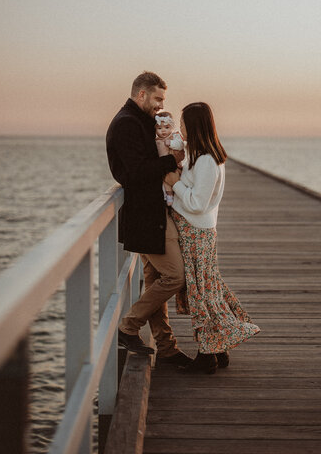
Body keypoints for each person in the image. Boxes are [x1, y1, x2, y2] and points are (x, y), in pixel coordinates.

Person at [165, 102, 261, 374]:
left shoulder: (207, 160)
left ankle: (208, 354)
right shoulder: (199, 156)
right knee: (206, 290)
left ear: (194, 125)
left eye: (183, 122)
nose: (179, 127)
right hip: (196, 230)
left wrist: (175, 182)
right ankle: (218, 348)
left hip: (197, 231)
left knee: (202, 293)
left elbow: (197, 203)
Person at [106, 71, 191, 366]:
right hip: (146, 216)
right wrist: (173, 161)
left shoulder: (142, 121)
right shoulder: (127, 124)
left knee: (155, 279)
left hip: (153, 212)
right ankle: (128, 327)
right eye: (157, 99)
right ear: (141, 94)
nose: (160, 105)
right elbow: (133, 173)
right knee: (175, 276)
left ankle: (167, 349)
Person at [155, 111, 185, 206]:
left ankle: (175, 196)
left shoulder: (174, 136)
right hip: (162, 165)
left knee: (175, 178)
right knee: (164, 181)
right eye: (159, 128)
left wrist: (171, 143)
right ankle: (168, 195)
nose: (163, 131)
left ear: (171, 127)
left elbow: (180, 145)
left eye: (167, 127)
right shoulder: (156, 140)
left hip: (174, 164)